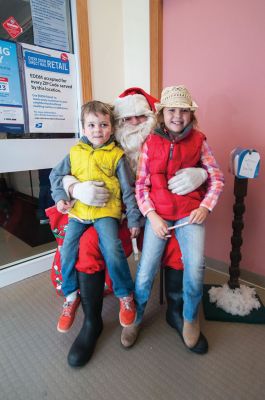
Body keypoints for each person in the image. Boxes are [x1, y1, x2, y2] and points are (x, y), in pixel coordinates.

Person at [53, 88, 208, 367]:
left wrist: (203, 174)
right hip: (108, 213)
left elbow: (197, 168)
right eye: (128, 120)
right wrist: (73, 187)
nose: (135, 124)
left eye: (141, 117)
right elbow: (61, 173)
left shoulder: (168, 141)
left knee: (177, 247)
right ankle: (92, 322)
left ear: (152, 119)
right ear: (116, 125)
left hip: (155, 212)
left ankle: (176, 311)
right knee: (88, 247)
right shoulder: (96, 143)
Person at [133, 85, 224, 352]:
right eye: (172, 110)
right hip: (158, 216)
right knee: (146, 268)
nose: (178, 115)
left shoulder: (199, 141)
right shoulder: (150, 143)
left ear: (191, 116)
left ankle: (189, 317)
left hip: (189, 215)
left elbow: (217, 178)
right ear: (162, 114)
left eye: (184, 111)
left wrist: (205, 207)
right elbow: (141, 186)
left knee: (195, 267)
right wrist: (152, 216)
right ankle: (135, 317)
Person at [49, 100, 143, 336]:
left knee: (111, 247)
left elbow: (128, 190)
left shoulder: (117, 155)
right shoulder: (75, 152)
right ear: (83, 127)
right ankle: (71, 296)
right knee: (67, 250)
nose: (97, 130)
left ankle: (125, 294)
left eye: (103, 125)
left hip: (105, 212)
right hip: (79, 212)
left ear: (111, 127)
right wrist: (61, 196)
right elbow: (56, 176)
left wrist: (133, 219)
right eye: (91, 125)